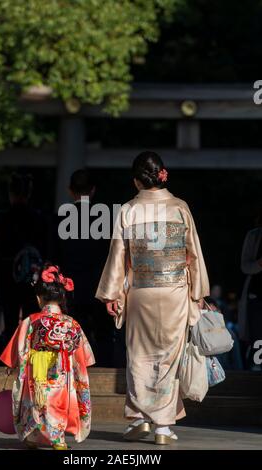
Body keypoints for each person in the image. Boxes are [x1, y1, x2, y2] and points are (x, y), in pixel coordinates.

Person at [96, 151, 210, 445]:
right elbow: (193, 253)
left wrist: (112, 293)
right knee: (168, 357)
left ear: (137, 181)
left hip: (141, 291)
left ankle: (139, 417)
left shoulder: (129, 210)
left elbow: (118, 255)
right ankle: (162, 426)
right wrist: (198, 292)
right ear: (163, 174)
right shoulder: (180, 207)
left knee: (139, 356)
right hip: (173, 291)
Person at [0, 263, 95, 450]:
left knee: (34, 403)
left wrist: (12, 365)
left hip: (35, 371)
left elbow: (18, 349)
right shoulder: (71, 323)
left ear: (38, 299)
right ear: (61, 298)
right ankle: (58, 439)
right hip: (61, 372)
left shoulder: (31, 321)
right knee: (57, 404)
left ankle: (32, 437)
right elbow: (82, 356)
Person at [57, 169, 113, 366]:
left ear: (70, 191)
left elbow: (55, 257)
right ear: (93, 190)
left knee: (72, 334)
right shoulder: (105, 219)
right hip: (100, 285)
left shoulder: (61, 219)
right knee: (104, 335)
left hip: (71, 286)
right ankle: (106, 373)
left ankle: (74, 374)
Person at [0, 173, 46, 340]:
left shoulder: (3, 218)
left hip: (8, 274)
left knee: (10, 320)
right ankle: (30, 357)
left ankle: (11, 358)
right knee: (31, 319)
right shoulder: (38, 218)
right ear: (29, 193)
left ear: (10, 193)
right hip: (33, 274)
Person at [239, 208, 262, 370]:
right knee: (258, 335)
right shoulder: (254, 236)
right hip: (257, 295)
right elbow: (245, 266)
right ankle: (257, 366)